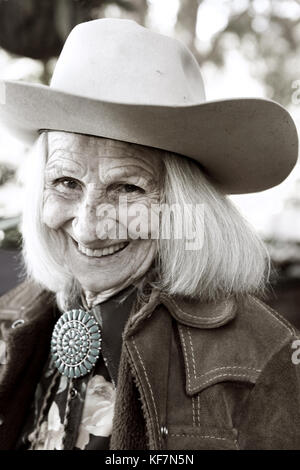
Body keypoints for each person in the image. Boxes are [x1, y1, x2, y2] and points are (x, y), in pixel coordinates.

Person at [0, 18, 299, 450]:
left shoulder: (263, 355)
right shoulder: (10, 319)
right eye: (66, 182)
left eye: (127, 189)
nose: (89, 225)